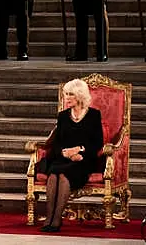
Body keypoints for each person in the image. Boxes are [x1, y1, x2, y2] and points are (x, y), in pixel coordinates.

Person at [41, 78, 103, 232]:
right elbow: (57, 143)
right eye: (65, 94)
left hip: (84, 160)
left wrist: (79, 150)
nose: (66, 98)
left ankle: (56, 219)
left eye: (70, 94)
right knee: (54, 174)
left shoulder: (94, 115)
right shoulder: (62, 116)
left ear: (80, 96)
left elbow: (97, 143)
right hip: (62, 158)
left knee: (63, 175)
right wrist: (65, 153)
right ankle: (49, 217)